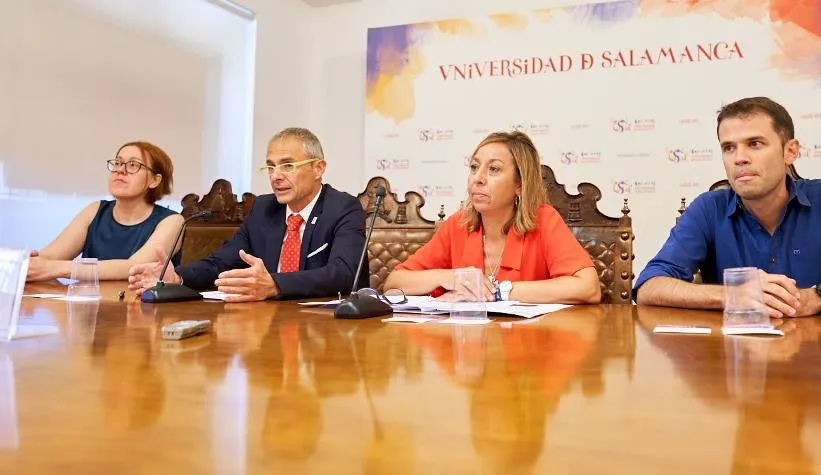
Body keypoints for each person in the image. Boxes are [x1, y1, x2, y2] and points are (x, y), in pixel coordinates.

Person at [633, 96, 821, 317]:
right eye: (728, 147)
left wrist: (818, 300)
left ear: (790, 151)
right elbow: (649, 287)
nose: (739, 158)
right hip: (732, 371)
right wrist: (731, 296)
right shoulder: (709, 208)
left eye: (755, 144)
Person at [127, 127, 368, 302]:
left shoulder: (343, 207)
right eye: (270, 166)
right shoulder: (264, 208)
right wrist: (177, 277)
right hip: (266, 323)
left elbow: (344, 274)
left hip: (325, 330)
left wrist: (274, 284)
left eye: (287, 166)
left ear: (318, 168)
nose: (275, 176)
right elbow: (221, 262)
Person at [383, 131, 601, 304]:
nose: (478, 178)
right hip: (470, 349)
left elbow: (588, 288)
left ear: (520, 184)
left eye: (494, 169)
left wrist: (499, 292)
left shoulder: (543, 219)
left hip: (530, 349)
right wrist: (448, 277)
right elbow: (393, 283)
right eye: (474, 167)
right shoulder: (459, 224)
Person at [26, 141, 183, 282]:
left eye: (133, 165)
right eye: (117, 163)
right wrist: (28, 263)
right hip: (88, 308)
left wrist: (58, 269)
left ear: (155, 180)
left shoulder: (172, 221)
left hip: (140, 309)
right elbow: (49, 257)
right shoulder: (94, 210)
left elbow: (134, 266)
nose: (120, 170)